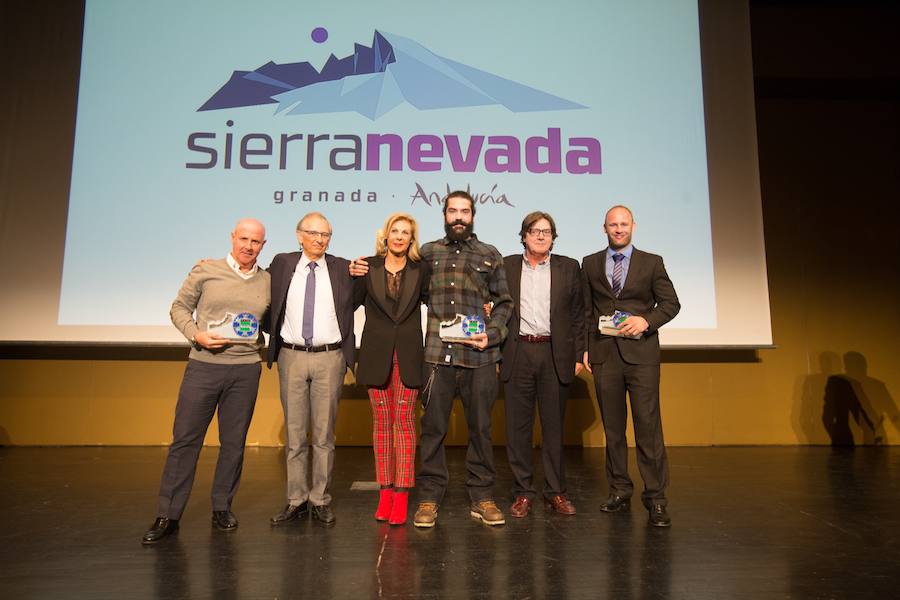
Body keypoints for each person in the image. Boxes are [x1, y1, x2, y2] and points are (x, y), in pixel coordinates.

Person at [354, 191, 514, 527]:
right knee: (432, 430)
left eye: (465, 211)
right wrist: (361, 266)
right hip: (437, 358)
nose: (459, 217)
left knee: (481, 430)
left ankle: (482, 497)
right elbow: (402, 292)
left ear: (472, 216)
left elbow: (503, 302)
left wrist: (493, 332)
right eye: (453, 211)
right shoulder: (427, 255)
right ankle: (427, 498)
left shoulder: (490, 254)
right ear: (444, 215)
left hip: (479, 356)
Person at [142, 218, 270, 544]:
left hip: (245, 370)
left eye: (255, 242)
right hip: (203, 367)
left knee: (233, 444)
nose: (248, 246)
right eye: (243, 239)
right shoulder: (205, 270)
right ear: (232, 238)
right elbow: (179, 308)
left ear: (262, 246)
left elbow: (273, 319)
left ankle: (222, 507)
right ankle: (167, 515)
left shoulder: (268, 281)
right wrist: (195, 334)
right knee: (185, 441)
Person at [582, 205, 680, 527]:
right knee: (613, 430)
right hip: (604, 355)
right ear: (605, 228)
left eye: (624, 224)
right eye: (613, 225)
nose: (619, 229)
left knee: (648, 429)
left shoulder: (652, 263)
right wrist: (583, 348)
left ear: (633, 226)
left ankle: (656, 498)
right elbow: (585, 311)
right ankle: (619, 490)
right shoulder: (591, 263)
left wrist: (645, 320)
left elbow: (670, 304)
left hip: (642, 357)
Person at [266, 212, 355, 527]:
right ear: (298, 234)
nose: (320, 239)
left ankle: (319, 499)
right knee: (294, 436)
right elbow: (252, 282)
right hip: (291, 356)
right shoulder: (281, 263)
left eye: (326, 234)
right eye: (314, 233)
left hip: (330, 359)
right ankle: (296, 499)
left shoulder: (343, 267)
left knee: (323, 435)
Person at [500, 211, 585, 518]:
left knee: (553, 428)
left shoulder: (569, 267)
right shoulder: (506, 265)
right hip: (518, 352)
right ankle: (523, 492)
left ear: (553, 237)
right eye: (534, 231)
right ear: (523, 235)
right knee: (517, 429)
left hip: (554, 354)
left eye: (546, 232)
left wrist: (578, 355)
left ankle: (556, 492)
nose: (540, 236)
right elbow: (493, 307)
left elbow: (579, 315)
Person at [353, 213, 429, 526]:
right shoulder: (365, 267)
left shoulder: (421, 269)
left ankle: (402, 494)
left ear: (412, 239)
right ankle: (385, 491)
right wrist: (348, 273)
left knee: (405, 423)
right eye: (394, 231)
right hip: (375, 354)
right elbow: (347, 302)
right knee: (382, 424)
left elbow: (438, 304)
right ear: (386, 235)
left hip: (409, 355)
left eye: (405, 233)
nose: (399, 237)